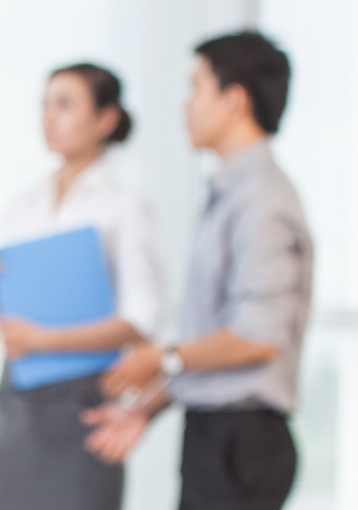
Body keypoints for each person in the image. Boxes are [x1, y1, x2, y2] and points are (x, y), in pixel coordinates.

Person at [86, 31, 312, 510]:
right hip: (216, 433)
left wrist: (161, 358)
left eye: (196, 88)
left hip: (242, 440)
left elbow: (257, 337)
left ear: (234, 100)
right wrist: (147, 408)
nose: (185, 104)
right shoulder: (232, 194)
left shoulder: (261, 201)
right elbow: (217, 339)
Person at [0, 63, 168, 510]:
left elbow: (142, 319)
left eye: (65, 105)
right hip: (19, 399)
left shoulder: (125, 207)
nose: (49, 118)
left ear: (105, 119)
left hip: (85, 400)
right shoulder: (21, 205)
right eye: (45, 105)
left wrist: (44, 339)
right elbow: (10, 324)